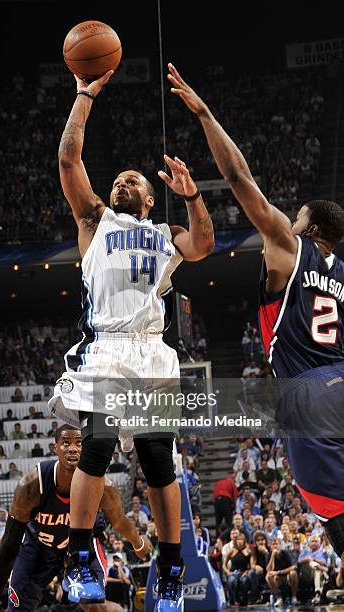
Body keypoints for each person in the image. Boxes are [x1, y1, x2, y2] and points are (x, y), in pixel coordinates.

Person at [51, 66, 214, 610]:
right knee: (96, 445)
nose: (123, 181)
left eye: (133, 180)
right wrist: (84, 96)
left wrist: (192, 197)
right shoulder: (95, 221)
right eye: (118, 178)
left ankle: (170, 565)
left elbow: (204, 245)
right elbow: (69, 158)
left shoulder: (164, 234)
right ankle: (78, 558)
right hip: (107, 346)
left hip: (151, 349)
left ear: (149, 198)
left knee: (157, 461)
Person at [167, 62, 344, 560]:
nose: (291, 216)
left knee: (332, 512)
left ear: (308, 226)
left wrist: (203, 113)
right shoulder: (343, 273)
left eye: (298, 213)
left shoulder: (289, 244)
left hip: (307, 391)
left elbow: (237, 175)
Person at [0, 425, 152, 612]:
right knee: (17, 609)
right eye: (66, 443)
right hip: (36, 548)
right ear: (55, 448)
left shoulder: (102, 485)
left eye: (79, 443)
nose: (72, 448)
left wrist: (138, 543)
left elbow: (119, 520)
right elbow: (10, 542)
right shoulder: (32, 484)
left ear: (86, 447)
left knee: (95, 606)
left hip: (78, 549)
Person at [266, 537, 299, 606]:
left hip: (287, 576)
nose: (275, 546)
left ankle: (294, 597)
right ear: (270, 546)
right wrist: (272, 557)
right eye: (273, 544)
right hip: (277, 579)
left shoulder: (285, 553)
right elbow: (269, 570)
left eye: (276, 544)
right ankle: (278, 598)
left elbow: (293, 567)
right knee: (268, 576)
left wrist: (278, 572)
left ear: (280, 545)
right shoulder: (269, 555)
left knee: (293, 573)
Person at [224, 533, 251, 607]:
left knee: (244, 581)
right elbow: (224, 564)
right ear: (236, 541)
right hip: (234, 572)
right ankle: (233, 601)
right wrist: (228, 572)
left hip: (244, 572)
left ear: (244, 541)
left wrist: (247, 571)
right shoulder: (232, 551)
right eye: (238, 539)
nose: (240, 541)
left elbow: (252, 565)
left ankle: (245, 601)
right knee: (231, 581)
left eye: (241, 539)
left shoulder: (248, 551)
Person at [213, 472, 239, 536]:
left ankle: (218, 536)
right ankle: (229, 536)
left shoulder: (218, 483)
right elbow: (235, 496)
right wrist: (235, 508)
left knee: (218, 521)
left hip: (217, 501)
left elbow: (213, 496)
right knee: (229, 521)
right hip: (226, 500)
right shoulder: (231, 483)